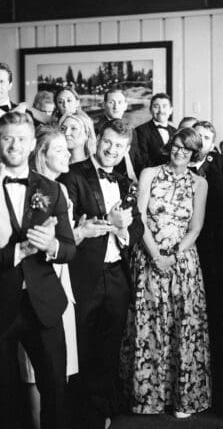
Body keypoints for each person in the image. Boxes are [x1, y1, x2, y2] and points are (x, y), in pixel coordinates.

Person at [58, 118, 144, 429]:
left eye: (119, 146)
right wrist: (106, 219)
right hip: (83, 275)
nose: (112, 149)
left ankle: (97, 415)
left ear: (127, 149)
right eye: (108, 142)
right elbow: (65, 226)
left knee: (109, 348)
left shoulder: (125, 181)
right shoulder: (73, 176)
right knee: (81, 347)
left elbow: (137, 227)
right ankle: (76, 416)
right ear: (97, 141)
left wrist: (123, 229)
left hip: (117, 276)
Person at [121, 127, 211, 418]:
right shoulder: (149, 173)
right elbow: (140, 216)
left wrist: (173, 255)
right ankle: (147, 398)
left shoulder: (200, 183)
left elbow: (196, 226)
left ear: (195, 153)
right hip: (149, 258)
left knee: (182, 327)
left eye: (187, 148)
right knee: (148, 326)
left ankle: (182, 399)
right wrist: (156, 256)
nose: (180, 151)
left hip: (182, 262)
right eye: (177, 145)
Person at [0, 112, 75, 429]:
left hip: (43, 302)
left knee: (55, 388)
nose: (14, 145)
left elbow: (70, 248)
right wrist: (20, 250)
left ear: (32, 146)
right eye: (7, 137)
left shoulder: (51, 189)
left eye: (21, 138)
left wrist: (52, 245)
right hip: (0, 301)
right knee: (8, 396)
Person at [19, 128, 83, 429]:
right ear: (40, 152)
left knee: (55, 380)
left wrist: (52, 245)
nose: (68, 153)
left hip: (50, 289)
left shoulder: (58, 191)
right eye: (60, 150)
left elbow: (67, 245)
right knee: (21, 377)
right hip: (14, 291)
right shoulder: (20, 186)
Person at [187, 121, 223, 415]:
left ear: (211, 142)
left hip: (212, 249)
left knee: (214, 309)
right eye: (196, 136)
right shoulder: (174, 167)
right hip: (184, 247)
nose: (200, 141)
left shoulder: (218, 173)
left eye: (205, 138)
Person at [130, 93, 177, 171]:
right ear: (150, 110)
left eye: (164, 106)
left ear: (171, 110)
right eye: (156, 106)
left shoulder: (175, 131)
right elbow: (141, 161)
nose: (161, 110)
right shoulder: (140, 131)